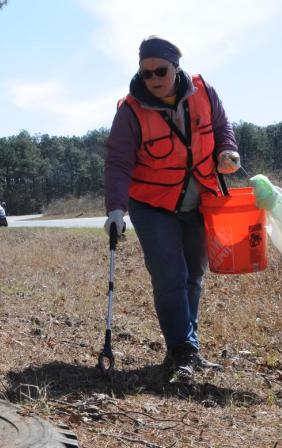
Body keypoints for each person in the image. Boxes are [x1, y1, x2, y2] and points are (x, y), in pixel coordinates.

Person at [103, 36, 241, 383]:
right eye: (146, 73)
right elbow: (118, 162)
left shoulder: (204, 93)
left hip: (198, 199)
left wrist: (227, 151)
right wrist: (116, 209)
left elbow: (223, 127)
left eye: (160, 70)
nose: (153, 79)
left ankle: (184, 348)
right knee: (169, 276)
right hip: (151, 205)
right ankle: (182, 349)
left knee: (194, 274)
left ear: (176, 67)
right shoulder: (131, 111)